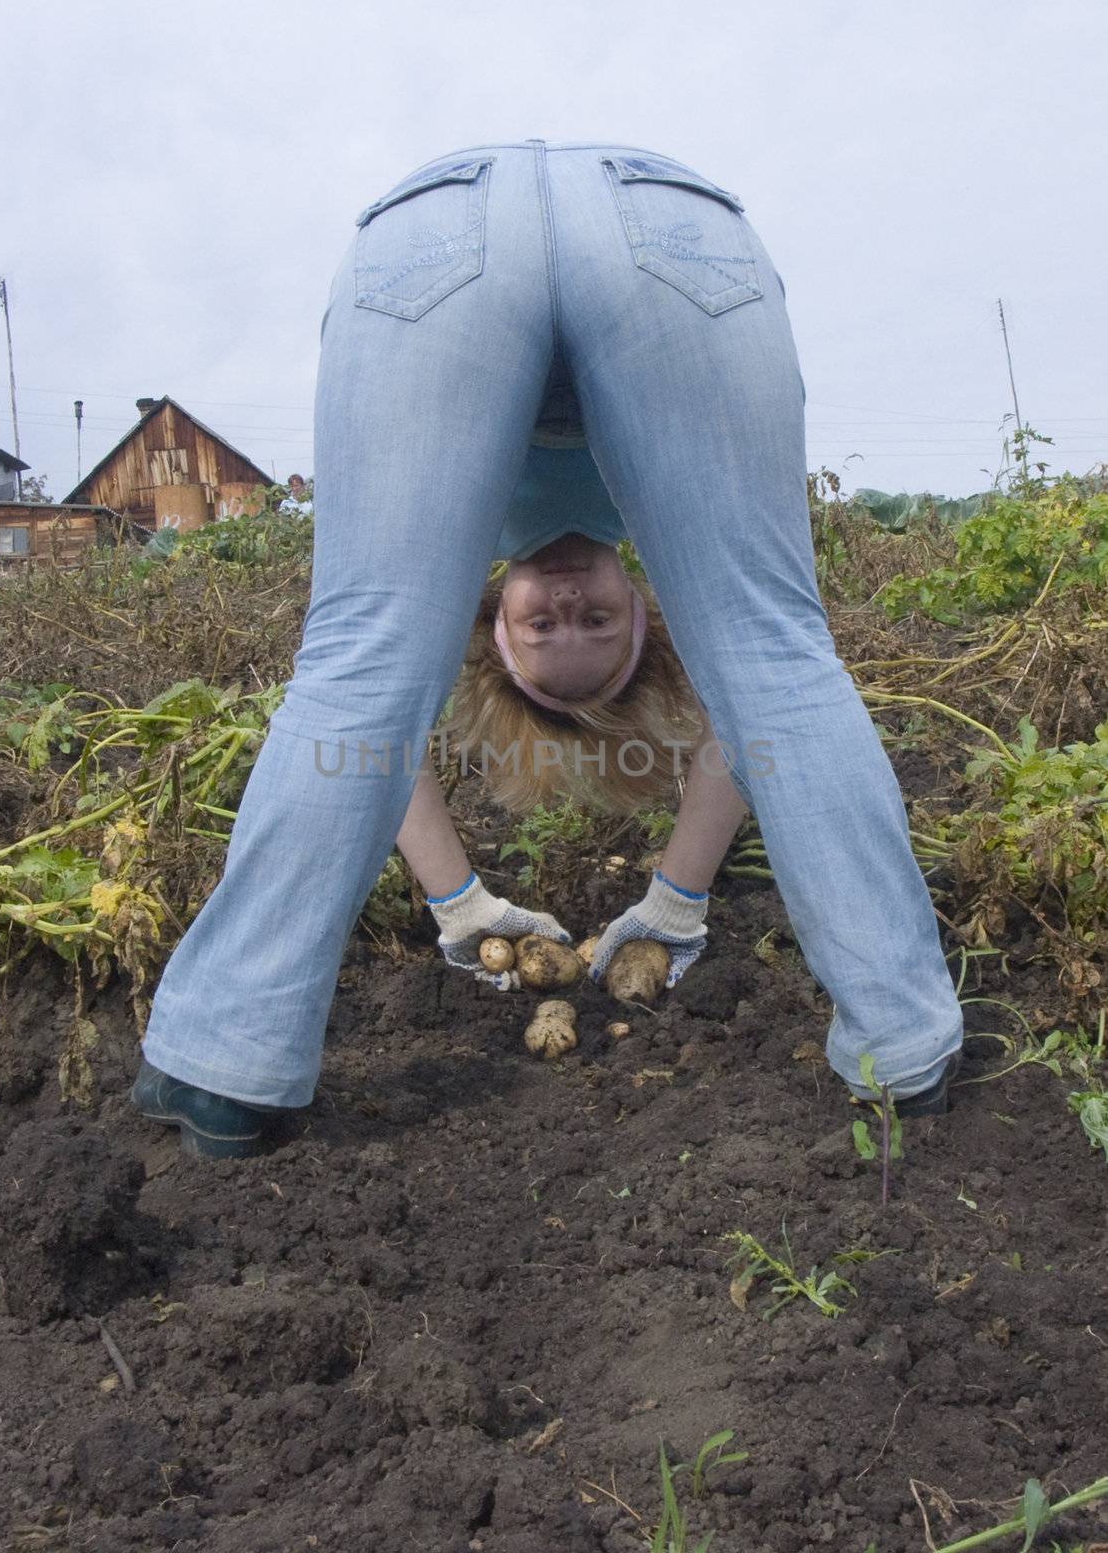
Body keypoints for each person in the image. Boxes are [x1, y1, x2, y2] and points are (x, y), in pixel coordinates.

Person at [131, 139, 963, 1157]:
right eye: (594, 625)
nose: (569, 603)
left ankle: (225, 1058)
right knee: (769, 651)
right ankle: (904, 1043)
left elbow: (381, 726)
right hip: (675, 230)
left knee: (366, 662)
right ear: (646, 619)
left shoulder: (467, 567)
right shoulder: (655, 577)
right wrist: (675, 901)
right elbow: (746, 715)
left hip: (434, 237)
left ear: (492, 628)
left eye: (547, 626)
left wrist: (456, 900)